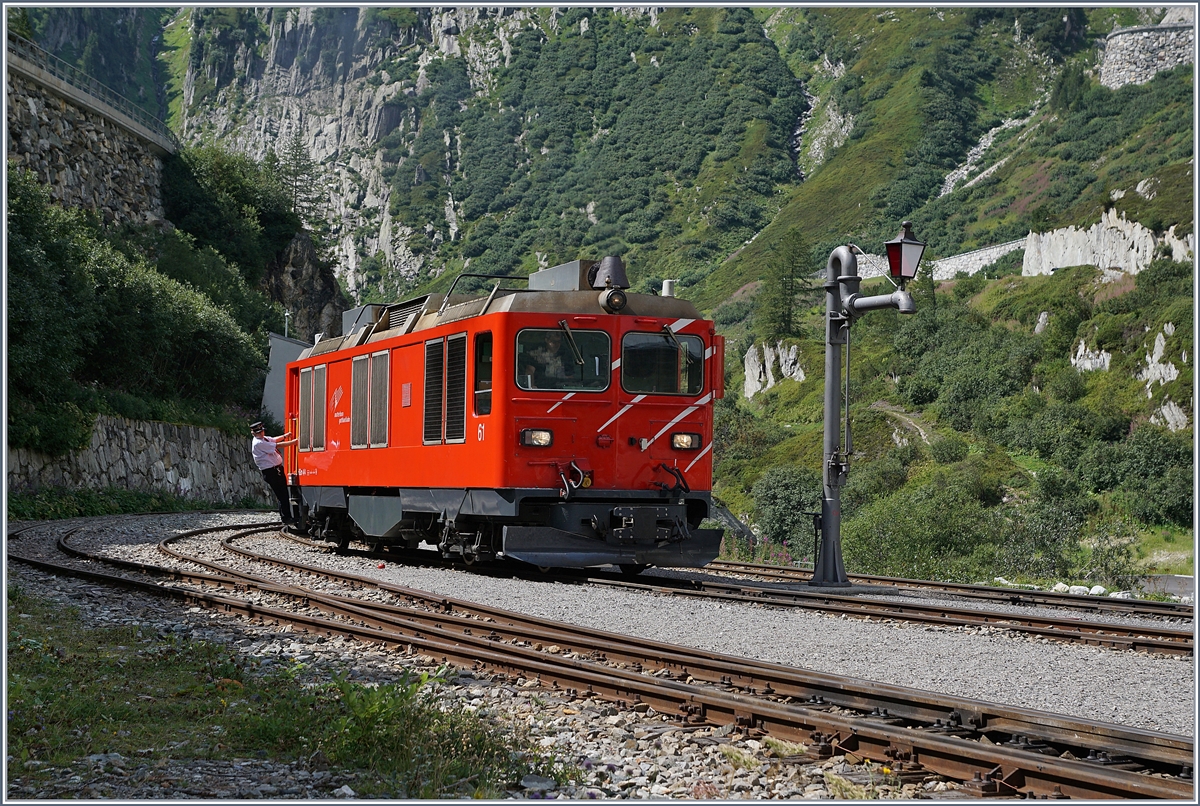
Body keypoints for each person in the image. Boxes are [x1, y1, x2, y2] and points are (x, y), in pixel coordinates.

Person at [250, 422, 298, 524]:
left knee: (283, 494)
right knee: (282, 495)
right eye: (259, 432)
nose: (261, 433)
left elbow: (273, 439)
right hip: (271, 471)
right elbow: (277, 445)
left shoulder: (264, 439)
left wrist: (285, 436)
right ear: (253, 433)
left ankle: (287, 517)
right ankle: (286, 518)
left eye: (262, 431)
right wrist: (294, 442)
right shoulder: (259, 443)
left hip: (276, 469)